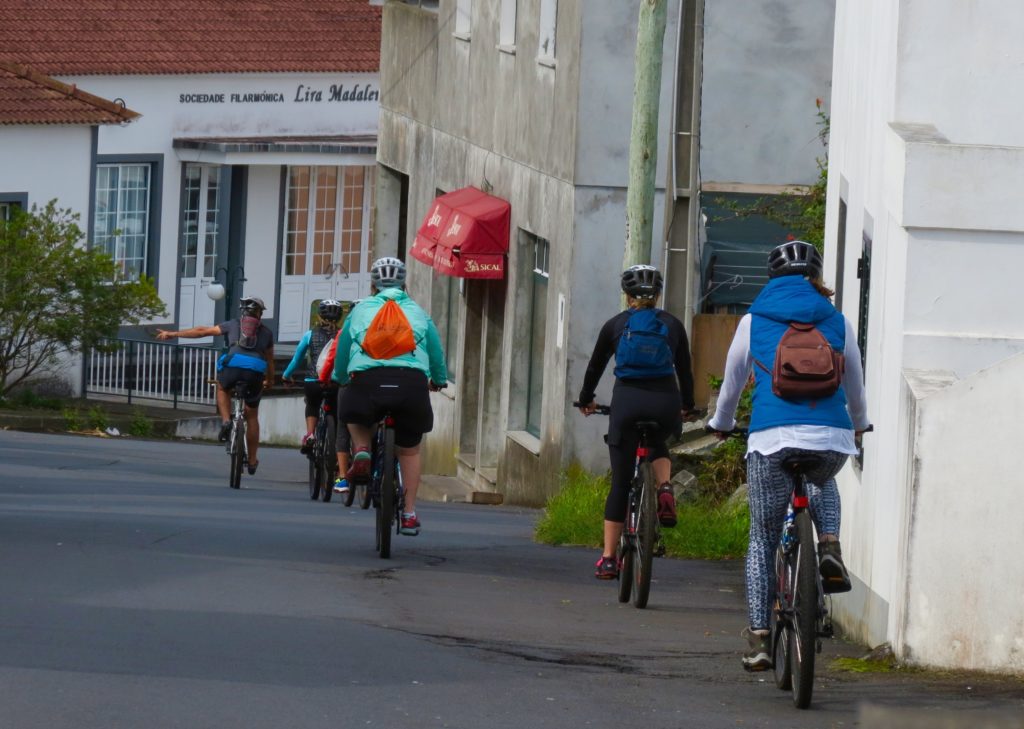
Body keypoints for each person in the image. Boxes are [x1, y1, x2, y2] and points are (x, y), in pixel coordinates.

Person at [706, 239, 870, 672]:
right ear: (815, 276)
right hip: (830, 437)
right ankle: (829, 544)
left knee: (761, 539)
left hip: (771, 439)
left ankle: (760, 638)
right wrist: (858, 424)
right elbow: (854, 380)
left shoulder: (754, 320)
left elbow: (733, 380)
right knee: (822, 477)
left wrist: (721, 424)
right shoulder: (836, 320)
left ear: (771, 276)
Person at [577, 264, 698, 580]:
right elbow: (685, 371)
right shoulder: (672, 325)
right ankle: (665, 488)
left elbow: (595, 368)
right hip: (664, 403)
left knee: (620, 483)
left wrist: (586, 399)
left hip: (628, 403)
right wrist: (686, 406)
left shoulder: (615, 326)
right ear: (657, 294)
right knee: (657, 441)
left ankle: (607, 558)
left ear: (627, 296)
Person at [331, 257, 447, 535]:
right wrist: (439, 380)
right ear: (404, 283)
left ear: (372, 285)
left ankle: (361, 450)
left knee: (355, 416)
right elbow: (436, 352)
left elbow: (343, 348)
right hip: (411, 386)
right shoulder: (419, 312)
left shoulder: (359, 312)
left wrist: (341, 378)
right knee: (409, 449)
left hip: (367, 381)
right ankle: (408, 513)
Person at [156, 296, 275, 473]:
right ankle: (251, 460)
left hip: (233, 365)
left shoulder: (232, 324)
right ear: (259, 314)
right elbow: (270, 361)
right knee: (251, 417)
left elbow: (202, 331)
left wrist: (173, 334)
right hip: (255, 370)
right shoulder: (267, 332)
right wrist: (270, 380)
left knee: (222, 387)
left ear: (242, 311)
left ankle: (226, 421)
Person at [281, 299, 353, 493]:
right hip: (335, 382)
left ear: (319, 316)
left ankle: (311, 435)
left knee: (312, 404)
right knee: (338, 421)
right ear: (340, 318)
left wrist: (286, 375)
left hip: (313, 382)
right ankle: (340, 469)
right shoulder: (343, 334)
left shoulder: (309, 334)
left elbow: (297, 359)